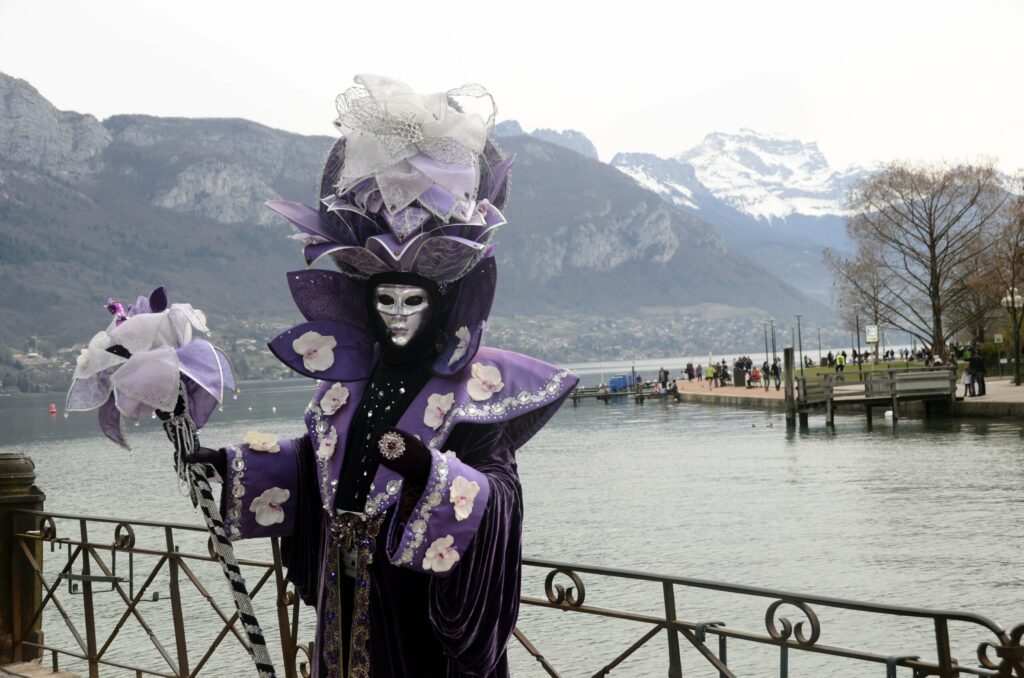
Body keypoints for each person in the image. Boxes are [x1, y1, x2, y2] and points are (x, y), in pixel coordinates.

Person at [188, 76, 578, 677]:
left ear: (441, 303)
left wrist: (430, 472)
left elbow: (499, 493)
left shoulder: (473, 391)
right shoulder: (348, 383)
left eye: (412, 301)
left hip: (416, 606)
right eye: (385, 300)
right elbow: (322, 461)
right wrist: (237, 464)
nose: (397, 317)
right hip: (348, 593)